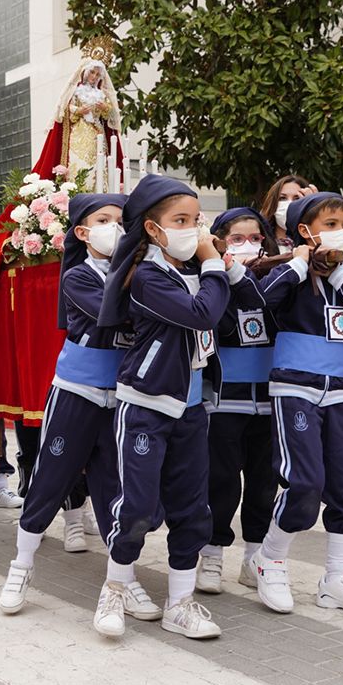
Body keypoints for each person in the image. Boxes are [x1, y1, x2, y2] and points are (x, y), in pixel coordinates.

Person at [0, 194, 155, 615]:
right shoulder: (78, 277)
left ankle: (123, 577)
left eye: (122, 221)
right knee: (51, 478)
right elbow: (113, 312)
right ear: (82, 233)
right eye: (104, 220)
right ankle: (22, 564)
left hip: (123, 395)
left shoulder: (141, 272)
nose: (116, 228)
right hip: (77, 392)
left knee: (114, 487)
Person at [95, 174, 231, 640]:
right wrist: (214, 264)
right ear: (153, 230)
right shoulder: (147, 276)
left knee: (193, 509)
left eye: (196, 220)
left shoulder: (192, 271)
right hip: (147, 406)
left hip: (190, 407)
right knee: (135, 507)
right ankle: (115, 589)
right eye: (181, 220)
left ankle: (180, 603)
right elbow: (202, 314)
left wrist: (221, 269)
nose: (193, 230)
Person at [250, 192, 343, 617]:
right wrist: (297, 264)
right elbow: (258, 303)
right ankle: (269, 559)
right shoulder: (285, 272)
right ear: (306, 231)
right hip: (295, 388)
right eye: (330, 223)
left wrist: (342, 275)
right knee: (305, 482)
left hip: (339, 391)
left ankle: (336, 579)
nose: (340, 231)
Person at [194, 207, 278, 595]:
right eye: (237, 238)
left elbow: (271, 312)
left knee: (263, 484)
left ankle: (254, 558)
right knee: (221, 481)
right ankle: (211, 554)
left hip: (268, 402)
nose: (249, 245)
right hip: (226, 403)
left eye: (256, 238)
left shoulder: (278, 282)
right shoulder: (211, 284)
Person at [260, 174, 317, 250]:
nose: (290, 204)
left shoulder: (316, 241)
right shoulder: (258, 241)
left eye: (297, 199)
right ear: (272, 203)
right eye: (283, 198)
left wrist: (316, 208)